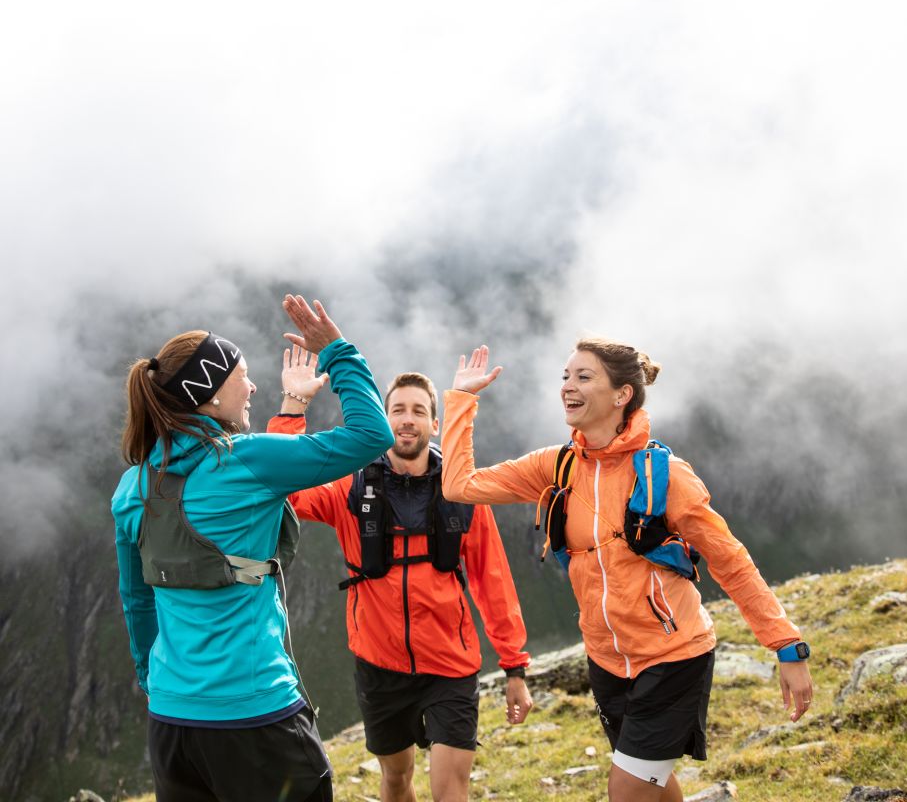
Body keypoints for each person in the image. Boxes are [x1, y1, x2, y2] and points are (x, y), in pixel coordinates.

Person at [441, 342, 814, 802]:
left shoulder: (665, 476)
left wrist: (786, 645)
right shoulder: (554, 466)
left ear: (621, 396)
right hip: (606, 662)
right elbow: (460, 486)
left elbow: (729, 560)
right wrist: (462, 400)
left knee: (627, 790)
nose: (567, 388)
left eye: (583, 377)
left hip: (674, 658)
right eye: (565, 376)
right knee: (650, 782)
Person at [112, 295, 394, 802]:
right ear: (209, 394)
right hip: (255, 714)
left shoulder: (131, 487)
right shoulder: (246, 461)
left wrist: (153, 680)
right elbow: (372, 435)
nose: (253, 385)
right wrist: (337, 351)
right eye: (242, 374)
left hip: (172, 723)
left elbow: (137, 602)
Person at [269, 370, 534, 802]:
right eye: (397, 410)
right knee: (396, 781)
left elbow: (493, 581)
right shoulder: (351, 486)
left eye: (418, 411)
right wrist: (292, 408)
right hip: (379, 664)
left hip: (451, 665)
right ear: (383, 419)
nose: (407, 420)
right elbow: (289, 486)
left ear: (434, 423)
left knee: (451, 791)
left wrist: (515, 667)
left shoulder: (462, 492)